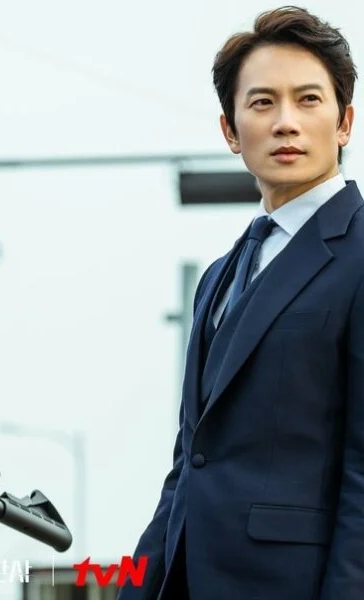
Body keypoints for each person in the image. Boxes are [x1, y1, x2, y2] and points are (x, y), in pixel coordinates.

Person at [119, 7, 362, 600]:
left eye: (308, 100)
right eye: (262, 103)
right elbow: (189, 464)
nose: (286, 123)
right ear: (230, 131)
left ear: (344, 122)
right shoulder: (219, 276)